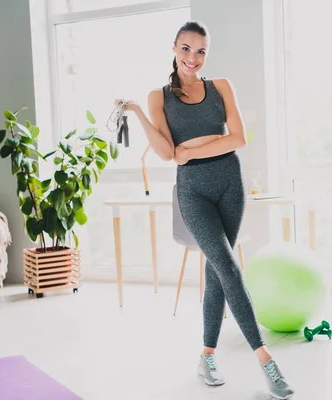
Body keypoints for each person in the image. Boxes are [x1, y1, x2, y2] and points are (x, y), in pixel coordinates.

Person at [115, 20, 295, 399]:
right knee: (228, 265)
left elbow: (239, 139)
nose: (192, 58)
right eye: (186, 48)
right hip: (193, 190)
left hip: (231, 182)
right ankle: (266, 360)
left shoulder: (221, 87)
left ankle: (207, 356)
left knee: (217, 272)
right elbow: (166, 154)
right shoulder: (158, 97)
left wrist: (191, 150)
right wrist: (138, 113)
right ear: (174, 48)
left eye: (200, 51)